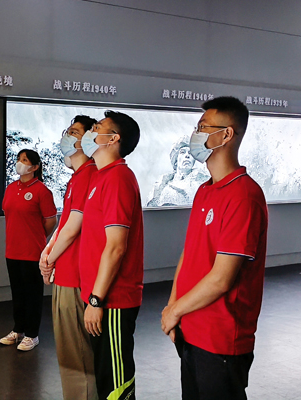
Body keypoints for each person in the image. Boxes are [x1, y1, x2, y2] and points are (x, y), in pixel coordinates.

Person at [161, 97, 268, 400]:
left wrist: (175, 311)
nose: (195, 135)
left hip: (220, 339)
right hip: (191, 329)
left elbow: (222, 278)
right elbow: (190, 254)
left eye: (203, 127)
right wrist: (173, 309)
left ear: (226, 134)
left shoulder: (244, 195)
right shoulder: (205, 190)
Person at [79, 111, 144, 400]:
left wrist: (96, 300)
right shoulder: (101, 176)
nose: (90, 132)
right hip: (100, 296)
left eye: (97, 127)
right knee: (106, 376)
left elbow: (116, 247)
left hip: (112, 300)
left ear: (113, 138)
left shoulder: (118, 178)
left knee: (117, 384)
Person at [39, 115, 98, 399]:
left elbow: (74, 226)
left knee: (77, 354)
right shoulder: (77, 177)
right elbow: (64, 224)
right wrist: (48, 251)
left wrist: (49, 258)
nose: (66, 136)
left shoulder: (88, 174)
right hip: (65, 272)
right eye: (67, 131)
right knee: (68, 352)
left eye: (74, 132)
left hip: (75, 275)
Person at [1, 149, 57, 351]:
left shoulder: (42, 191)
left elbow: (51, 220)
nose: (20, 163)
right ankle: (18, 329)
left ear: (35, 167)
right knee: (17, 292)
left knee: (32, 294)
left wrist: (37, 236)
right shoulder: (11, 188)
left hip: (32, 251)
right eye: (19, 159)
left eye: (24, 160)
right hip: (12, 250)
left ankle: (32, 334)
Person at [146, 135, 210, 207]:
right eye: (182, 152)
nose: (187, 156)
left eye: (190, 153)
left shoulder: (202, 183)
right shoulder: (163, 186)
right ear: (176, 160)